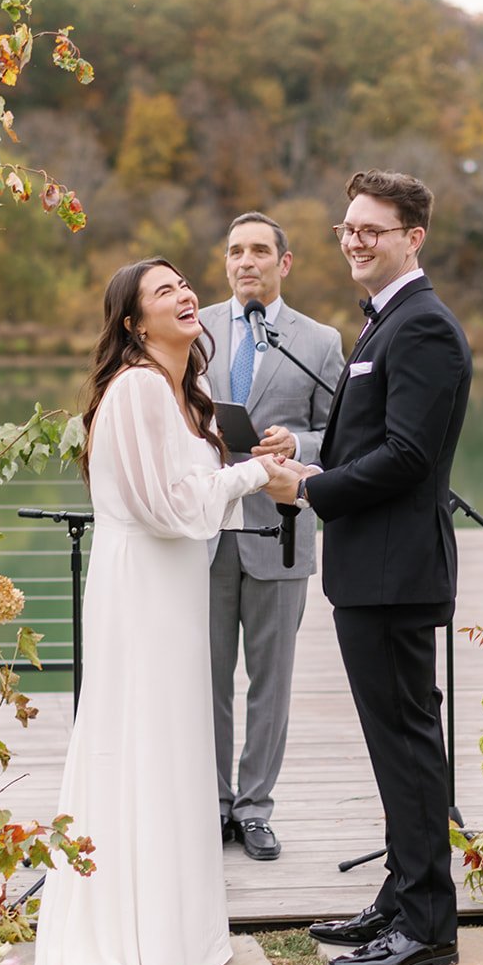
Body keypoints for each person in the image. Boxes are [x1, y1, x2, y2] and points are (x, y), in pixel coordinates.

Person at [32, 258, 300, 965]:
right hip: (142, 594)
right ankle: (135, 932)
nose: (185, 294)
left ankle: (178, 927)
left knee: (178, 748)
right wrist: (253, 476)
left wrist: (263, 458)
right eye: (164, 291)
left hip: (178, 592)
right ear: (133, 322)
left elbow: (197, 495)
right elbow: (170, 508)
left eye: (184, 283)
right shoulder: (139, 389)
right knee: (142, 743)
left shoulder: (192, 392)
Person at [266, 170, 472, 965]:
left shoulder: (422, 327)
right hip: (372, 571)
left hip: (396, 573)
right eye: (347, 227)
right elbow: (371, 441)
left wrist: (310, 489)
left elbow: (411, 457)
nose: (354, 240)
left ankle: (427, 924)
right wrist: (307, 450)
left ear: (411, 237)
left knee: (410, 745)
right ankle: (399, 894)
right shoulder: (387, 323)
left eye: (371, 229)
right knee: (394, 744)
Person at [200, 211, 345, 861]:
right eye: (236, 251)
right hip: (203, 533)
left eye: (260, 250)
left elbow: (344, 435)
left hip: (280, 533)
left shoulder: (318, 340)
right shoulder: (192, 328)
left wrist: (299, 442)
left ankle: (256, 809)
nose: (246, 261)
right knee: (206, 679)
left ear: (285, 263)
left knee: (271, 682)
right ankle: (213, 805)